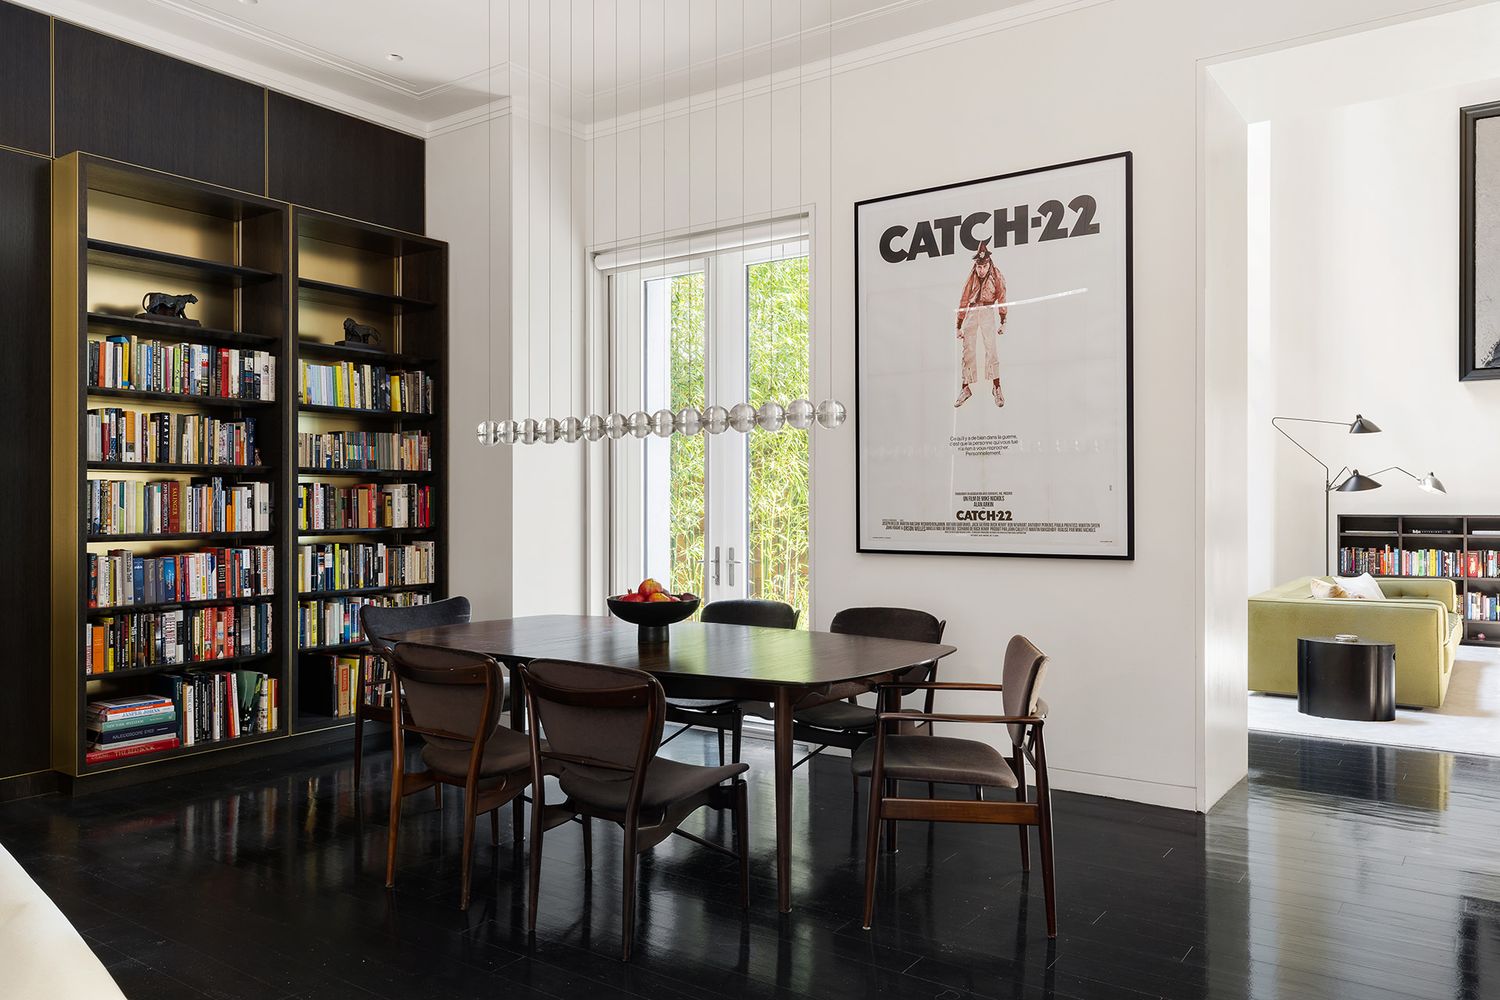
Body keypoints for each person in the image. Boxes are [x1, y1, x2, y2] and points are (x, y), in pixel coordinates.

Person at [954, 240, 1007, 408]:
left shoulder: (996, 275)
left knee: (990, 348)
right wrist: (959, 324)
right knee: (968, 349)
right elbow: (963, 298)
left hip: (987, 312)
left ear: (988, 263)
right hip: (971, 311)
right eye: (978, 266)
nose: (981, 270)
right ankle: (965, 387)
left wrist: (1003, 320)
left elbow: (1002, 297)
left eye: (983, 266)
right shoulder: (972, 276)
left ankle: (996, 386)